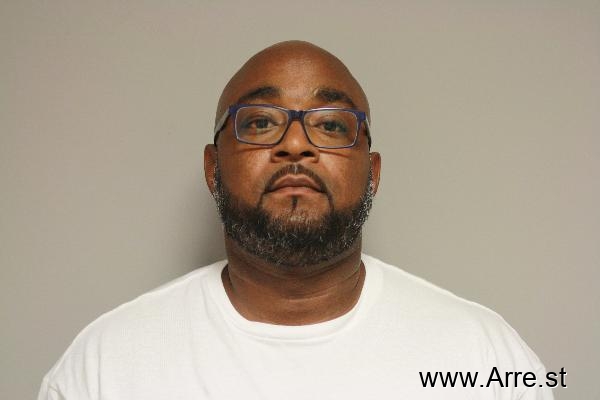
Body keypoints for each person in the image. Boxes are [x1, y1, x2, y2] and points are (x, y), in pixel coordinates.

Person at [39, 41, 553, 399]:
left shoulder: (486, 359)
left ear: (372, 174)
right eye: (261, 122)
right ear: (213, 168)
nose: (295, 144)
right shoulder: (104, 366)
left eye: (330, 125)